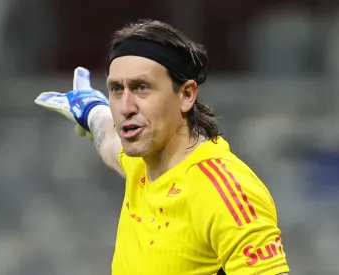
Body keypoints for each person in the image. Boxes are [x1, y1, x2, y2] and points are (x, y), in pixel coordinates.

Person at [35, 19, 290, 275]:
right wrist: (91, 111)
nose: (125, 107)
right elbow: (109, 141)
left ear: (187, 95)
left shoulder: (225, 192)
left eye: (141, 87)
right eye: (116, 89)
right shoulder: (141, 163)